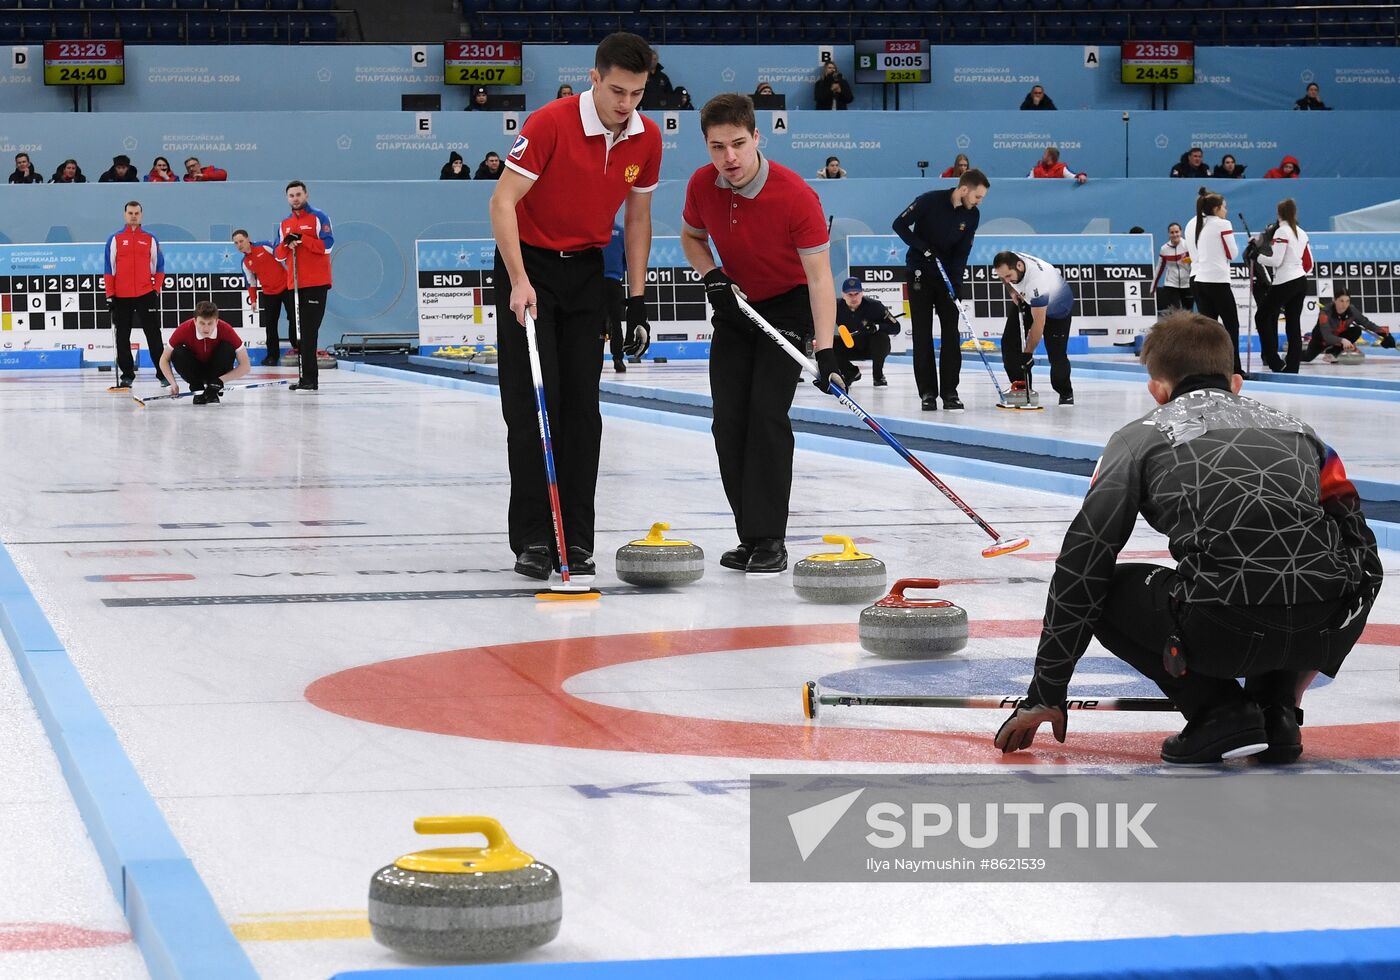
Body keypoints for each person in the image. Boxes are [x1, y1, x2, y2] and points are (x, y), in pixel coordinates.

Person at [994, 312, 1381, 765]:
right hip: (1324, 624)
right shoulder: (1304, 434)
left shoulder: (1138, 439)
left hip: (1222, 629)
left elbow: (1084, 561)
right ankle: (1277, 713)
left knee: (1110, 586)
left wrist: (1047, 690)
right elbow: (1363, 552)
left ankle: (1219, 712)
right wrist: (1331, 632)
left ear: (1156, 390)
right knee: (1301, 568)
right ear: (1234, 382)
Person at [488, 32, 662, 580]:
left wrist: (635, 298)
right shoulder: (550, 123)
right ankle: (535, 539)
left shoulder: (646, 137)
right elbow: (502, 203)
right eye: (616, 91)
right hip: (530, 267)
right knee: (533, 405)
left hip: (587, 271)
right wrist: (518, 279)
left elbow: (636, 219)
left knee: (582, 412)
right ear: (594, 77)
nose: (626, 105)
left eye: (636, 93)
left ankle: (577, 539)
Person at [681, 92, 836, 575]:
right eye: (716, 146)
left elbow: (819, 278)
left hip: (787, 306)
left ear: (757, 138)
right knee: (729, 420)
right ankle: (750, 535)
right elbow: (691, 237)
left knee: (766, 414)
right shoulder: (702, 185)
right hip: (737, 305)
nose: (728, 158)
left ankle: (771, 538)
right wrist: (712, 276)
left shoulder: (795, 195)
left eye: (738, 144)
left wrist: (825, 349)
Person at [892, 168, 990, 412]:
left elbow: (963, 251)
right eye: (978, 196)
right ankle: (927, 393)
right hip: (920, 273)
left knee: (951, 335)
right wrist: (923, 247)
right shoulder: (929, 200)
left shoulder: (973, 215)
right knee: (922, 334)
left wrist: (956, 284)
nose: (979, 202)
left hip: (947, 278)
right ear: (964, 189)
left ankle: (950, 392)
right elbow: (899, 225)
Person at [992, 251, 1075, 406]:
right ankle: (1021, 389)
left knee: (1056, 355)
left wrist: (1028, 353)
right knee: (1009, 343)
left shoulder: (1037, 281)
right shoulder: (1012, 263)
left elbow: (1039, 323)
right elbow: (1006, 279)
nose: (1006, 279)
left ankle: (1065, 393)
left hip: (1057, 310)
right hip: (1028, 299)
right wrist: (1012, 291)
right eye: (1003, 277)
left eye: (1009, 276)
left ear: (1019, 266)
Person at [275, 180, 334, 392]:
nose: (295, 199)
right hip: (294, 284)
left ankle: (310, 379)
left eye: (299, 194)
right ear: (287, 198)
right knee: (298, 333)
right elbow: (277, 254)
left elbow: (328, 245)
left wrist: (302, 238)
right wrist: (287, 243)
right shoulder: (284, 224)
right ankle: (304, 378)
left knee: (309, 332)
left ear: (306, 195)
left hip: (315, 283)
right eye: (291, 195)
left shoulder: (318, 217)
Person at [104, 201, 166, 389]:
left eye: (136, 213)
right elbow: (109, 269)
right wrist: (110, 295)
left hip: (145, 293)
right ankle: (127, 375)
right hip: (121, 297)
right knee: (122, 336)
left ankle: (163, 373)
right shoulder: (115, 239)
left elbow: (159, 267)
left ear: (141, 215)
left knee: (154, 334)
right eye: (130, 213)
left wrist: (156, 290)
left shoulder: (150, 239)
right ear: (125, 215)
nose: (133, 216)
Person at [1248, 198, 1313, 374]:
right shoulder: (1301, 232)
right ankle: (1292, 366)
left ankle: (1274, 360)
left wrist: (1257, 256)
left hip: (1286, 281)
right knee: (1293, 323)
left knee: (1261, 317)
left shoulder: (1281, 232)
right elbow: (1309, 263)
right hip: (1300, 281)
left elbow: (1276, 261)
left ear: (1279, 214)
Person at [1183, 187, 1243, 376]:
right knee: (1231, 326)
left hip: (1198, 279)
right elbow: (1232, 253)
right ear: (1216, 208)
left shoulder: (1193, 223)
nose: (1226, 211)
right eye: (1224, 207)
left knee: (1208, 329)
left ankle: (1209, 368)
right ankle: (1234, 368)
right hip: (1216, 280)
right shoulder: (1221, 224)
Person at [159, 301, 252, 405]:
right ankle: (197, 390)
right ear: (195, 321)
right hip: (195, 371)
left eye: (210, 323)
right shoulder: (184, 329)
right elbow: (164, 359)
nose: (206, 328)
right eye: (202, 323)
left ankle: (213, 392)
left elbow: (246, 366)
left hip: (217, 372)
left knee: (227, 348)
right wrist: (173, 384)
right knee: (178, 352)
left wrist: (220, 381)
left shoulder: (226, 329)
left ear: (217, 322)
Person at [232, 229, 294, 367]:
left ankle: (298, 348)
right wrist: (253, 300)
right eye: (236, 243)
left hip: (286, 288)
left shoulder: (265, 246)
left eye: (241, 241)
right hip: (269, 293)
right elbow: (251, 283)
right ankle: (272, 356)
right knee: (270, 326)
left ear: (248, 239)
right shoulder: (245, 262)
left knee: (293, 318)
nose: (239, 245)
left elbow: (282, 255)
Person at [833, 277, 898, 387]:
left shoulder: (875, 306)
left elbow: (896, 327)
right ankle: (850, 372)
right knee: (828, 343)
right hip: (849, 346)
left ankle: (878, 376)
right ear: (843, 295)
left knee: (881, 338)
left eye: (856, 293)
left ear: (862, 293)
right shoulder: (835, 307)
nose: (854, 298)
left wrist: (877, 327)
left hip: (872, 347)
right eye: (850, 294)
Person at [1303, 289, 1396, 363]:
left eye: (1347, 301)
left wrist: (1384, 334)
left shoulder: (1351, 310)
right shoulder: (1325, 313)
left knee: (1356, 330)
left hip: (1338, 337)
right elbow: (1327, 336)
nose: (1344, 305)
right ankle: (1291, 356)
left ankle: (1332, 353)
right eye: (1341, 301)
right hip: (1321, 340)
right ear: (1334, 300)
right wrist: (1342, 340)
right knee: (1307, 357)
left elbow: (1366, 323)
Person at [1150, 222, 1193, 315]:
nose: (1175, 235)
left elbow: (1197, 260)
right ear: (1169, 234)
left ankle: (1187, 329)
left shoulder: (1187, 245)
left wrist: (1187, 260)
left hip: (1187, 284)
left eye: (1177, 232)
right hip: (1171, 284)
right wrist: (1152, 287)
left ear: (1181, 232)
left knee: (1188, 312)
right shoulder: (1164, 249)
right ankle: (1177, 329)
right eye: (1172, 232)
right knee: (1175, 312)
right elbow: (1159, 268)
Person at [602, 221, 627, 374]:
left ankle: (593, 359)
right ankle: (618, 359)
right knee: (616, 322)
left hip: (595, 281)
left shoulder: (595, 229)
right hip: (613, 281)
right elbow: (626, 259)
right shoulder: (621, 232)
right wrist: (618, 272)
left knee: (592, 322)